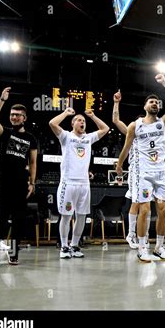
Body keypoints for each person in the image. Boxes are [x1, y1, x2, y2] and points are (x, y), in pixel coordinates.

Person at [117, 74, 165, 262]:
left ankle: (159, 247)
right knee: (144, 210)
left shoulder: (164, 123)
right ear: (145, 106)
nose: (155, 104)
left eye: (157, 102)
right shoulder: (134, 126)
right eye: (151, 102)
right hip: (142, 172)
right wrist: (120, 164)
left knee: (162, 209)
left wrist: (163, 82)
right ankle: (142, 247)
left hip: (160, 172)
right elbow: (126, 148)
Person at [0, 87, 37, 266]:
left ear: (24, 118)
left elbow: (33, 163)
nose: (14, 117)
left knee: (18, 220)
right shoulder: (5, 132)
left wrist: (32, 182)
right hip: (5, 181)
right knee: (1, 217)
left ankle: (14, 254)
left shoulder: (31, 138)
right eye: (12, 114)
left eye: (18, 115)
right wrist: (2, 100)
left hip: (22, 182)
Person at [49, 107, 109, 259]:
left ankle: (75, 245)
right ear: (73, 124)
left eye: (83, 121)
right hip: (68, 183)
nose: (82, 122)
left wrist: (93, 116)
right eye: (79, 120)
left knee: (81, 216)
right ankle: (64, 246)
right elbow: (52, 123)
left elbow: (105, 128)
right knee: (66, 216)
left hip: (84, 184)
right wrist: (66, 113)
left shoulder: (88, 138)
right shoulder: (66, 136)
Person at [112, 90, 151, 250]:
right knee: (136, 202)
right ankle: (131, 234)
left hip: (149, 172)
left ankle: (144, 235)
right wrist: (116, 102)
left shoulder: (150, 135)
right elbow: (115, 120)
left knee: (146, 205)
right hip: (136, 170)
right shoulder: (132, 131)